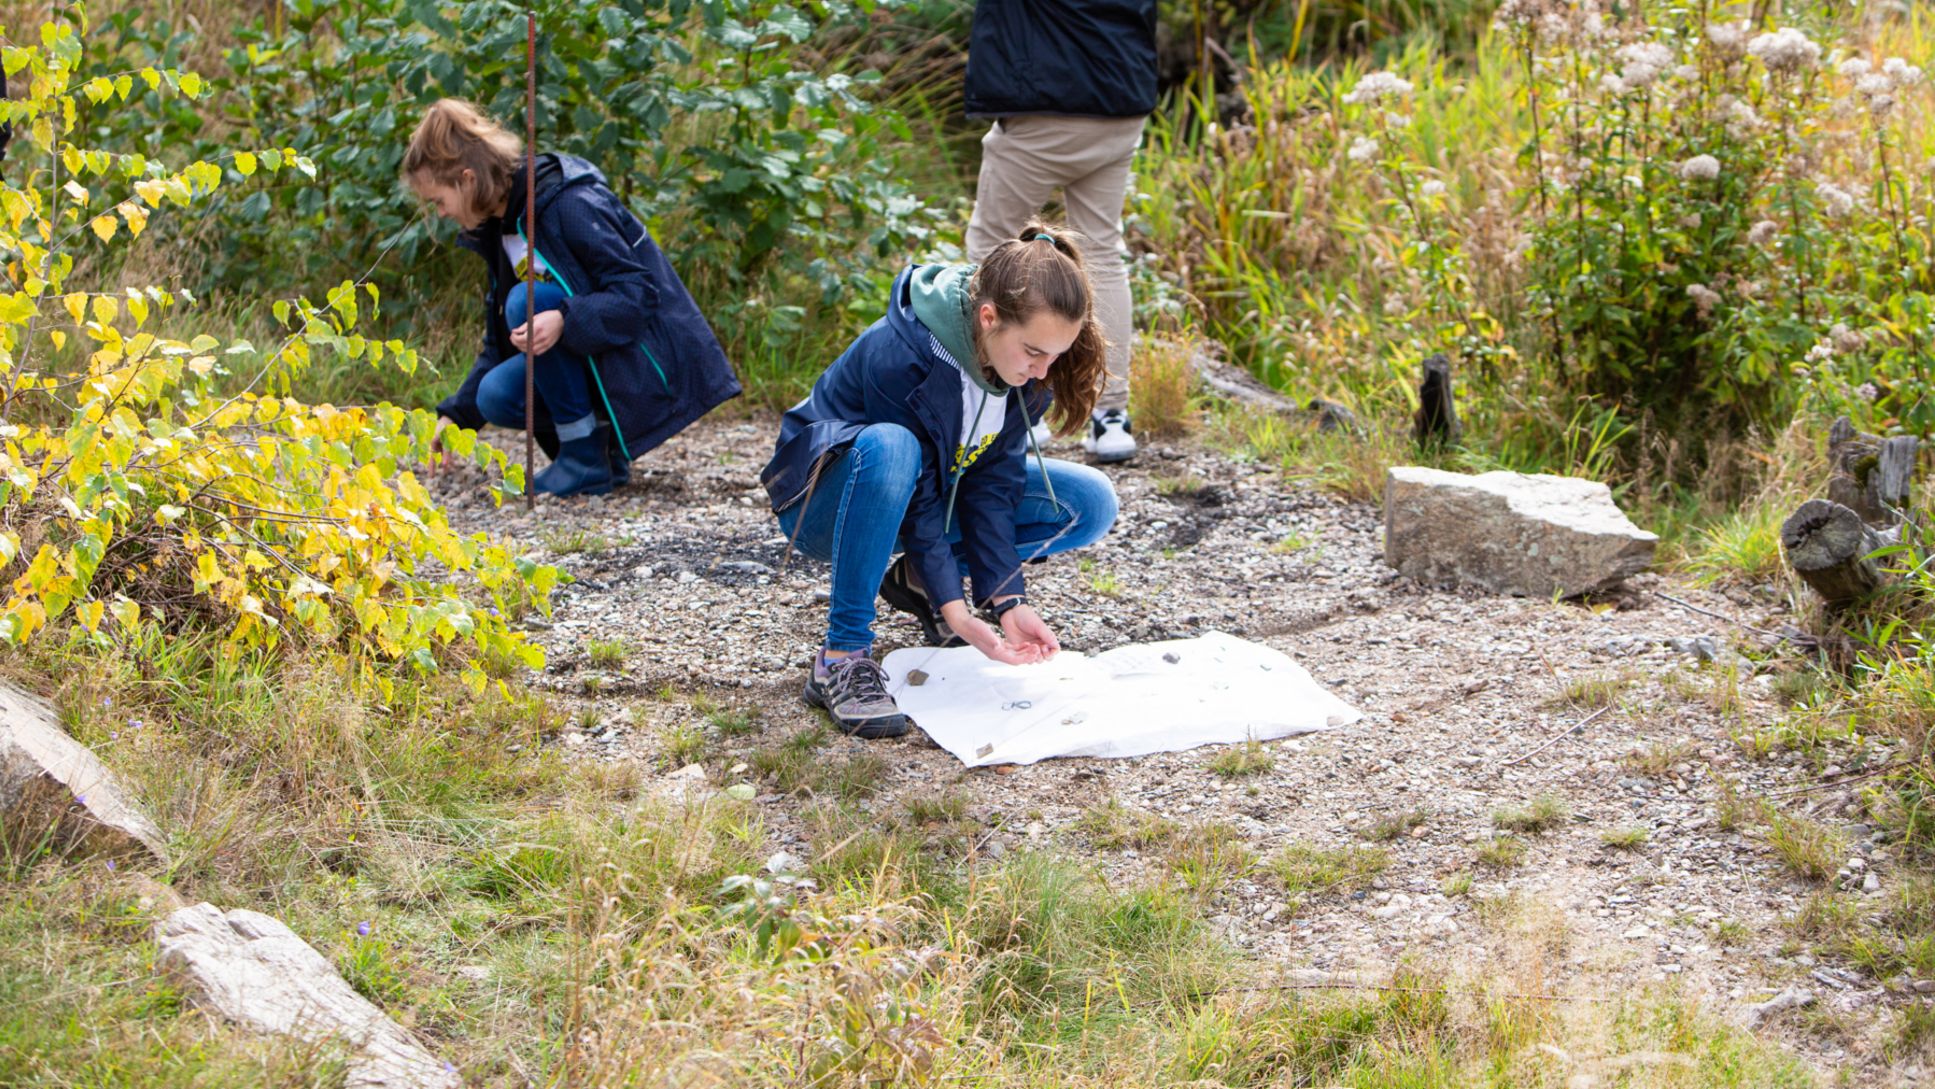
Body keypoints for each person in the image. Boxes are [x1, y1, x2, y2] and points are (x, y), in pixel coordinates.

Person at [761, 223, 1120, 739]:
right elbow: (920, 495)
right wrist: (959, 611)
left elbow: (991, 488)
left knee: (1087, 500)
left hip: (925, 494)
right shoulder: (901, 355)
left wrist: (1006, 600)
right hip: (824, 507)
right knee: (893, 446)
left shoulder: (1019, 372)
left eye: (1056, 356)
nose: (1044, 372)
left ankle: (920, 580)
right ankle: (841, 656)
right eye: (1035, 352)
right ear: (988, 317)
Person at [404, 99, 740, 497]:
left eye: (438, 201)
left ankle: (583, 458)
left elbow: (638, 295)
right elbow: (499, 345)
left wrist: (564, 317)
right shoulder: (499, 229)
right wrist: (455, 417)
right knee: (493, 394)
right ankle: (601, 456)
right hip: (589, 360)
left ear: (467, 179)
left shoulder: (567, 203)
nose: (439, 213)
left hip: (639, 363)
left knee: (525, 300)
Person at [962, 0, 1158, 464]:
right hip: (1120, 94)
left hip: (1042, 98)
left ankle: (1002, 406)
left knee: (991, 247)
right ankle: (1110, 415)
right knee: (1104, 254)